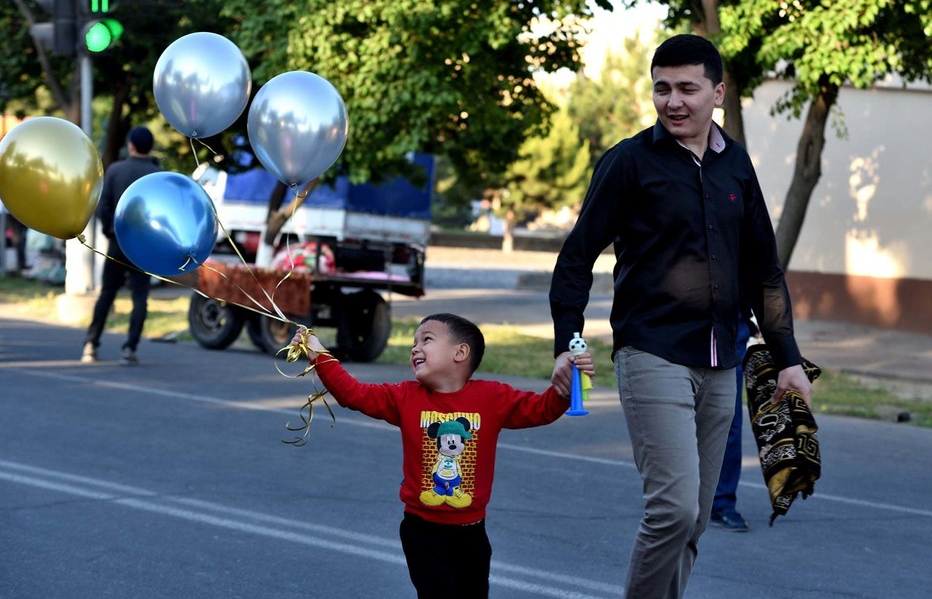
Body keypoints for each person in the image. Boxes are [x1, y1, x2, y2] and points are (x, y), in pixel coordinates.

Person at [549, 34, 813, 598]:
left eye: (688, 89)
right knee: (672, 509)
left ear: (717, 92)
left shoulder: (736, 164)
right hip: (652, 351)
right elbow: (576, 259)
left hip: (721, 360)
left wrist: (788, 360)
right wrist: (568, 342)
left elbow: (764, 270)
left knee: (694, 518)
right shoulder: (628, 162)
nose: (674, 101)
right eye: (662, 89)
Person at [291, 313, 593, 598]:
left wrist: (568, 386)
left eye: (426, 340)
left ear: (460, 353)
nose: (415, 348)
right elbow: (352, 393)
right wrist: (317, 352)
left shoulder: (493, 397)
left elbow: (541, 409)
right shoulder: (403, 396)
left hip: (472, 535)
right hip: (422, 533)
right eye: (414, 343)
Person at [82, 126, 160, 365]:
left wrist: (110, 231)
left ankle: (91, 344)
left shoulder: (115, 170)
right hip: (143, 248)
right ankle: (130, 348)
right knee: (140, 298)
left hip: (117, 243)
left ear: (131, 145)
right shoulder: (157, 175)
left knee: (107, 294)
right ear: (151, 147)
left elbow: (103, 206)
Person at [709, 314, 754, 532]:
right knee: (681, 419)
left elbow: (771, 284)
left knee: (728, 422)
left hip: (730, 333)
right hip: (677, 332)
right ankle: (676, 497)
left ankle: (722, 502)